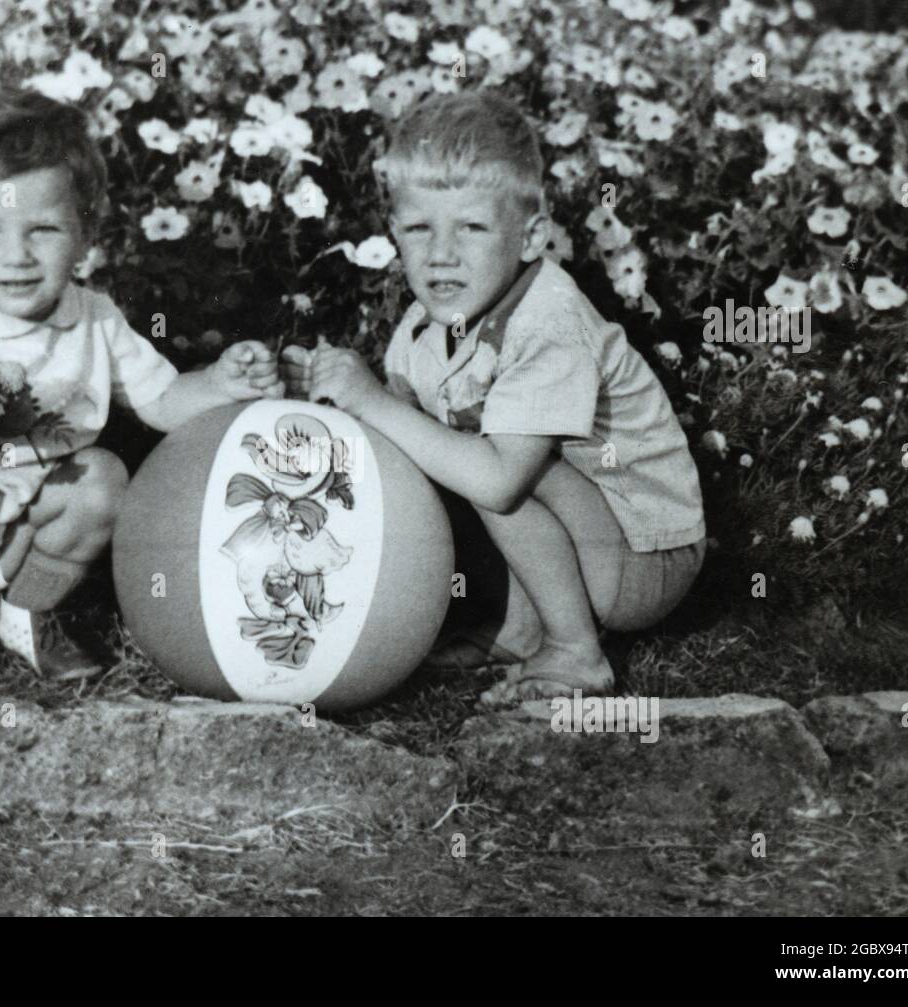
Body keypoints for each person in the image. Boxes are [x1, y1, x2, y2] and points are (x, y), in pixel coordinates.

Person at [0, 88, 282, 697]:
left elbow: (163, 400)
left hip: (22, 528)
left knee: (102, 478)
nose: (16, 256)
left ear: (85, 234)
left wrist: (222, 384)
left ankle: (31, 610)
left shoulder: (94, 318)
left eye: (42, 229)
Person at [283, 92, 705, 702]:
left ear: (532, 237)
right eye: (419, 228)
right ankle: (524, 626)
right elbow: (400, 441)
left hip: (644, 556)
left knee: (492, 467)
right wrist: (326, 393)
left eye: (473, 228)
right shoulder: (423, 328)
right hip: (585, 536)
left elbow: (504, 483)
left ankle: (575, 649)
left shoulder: (549, 321)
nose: (441, 253)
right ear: (395, 232)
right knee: (437, 454)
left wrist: (372, 402)